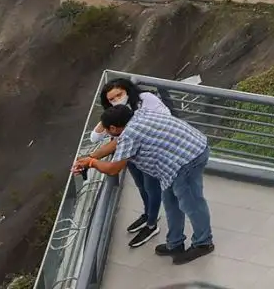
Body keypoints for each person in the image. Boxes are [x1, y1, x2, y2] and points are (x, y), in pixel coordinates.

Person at [75, 102, 214, 265]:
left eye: (107, 130)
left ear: (114, 128)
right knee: (171, 203)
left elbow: (113, 169)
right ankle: (175, 243)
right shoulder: (138, 115)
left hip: (188, 158)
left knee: (192, 203)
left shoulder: (129, 134)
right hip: (176, 161)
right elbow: (116, 144)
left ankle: (203, 243)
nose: (106, 133)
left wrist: (92, 163)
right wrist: (92, 156)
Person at [86, 78, 172, 248]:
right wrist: (111, 113)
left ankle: (152, 224)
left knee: (151, 187)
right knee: (141, 186)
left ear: (128, 91)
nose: (117, 99)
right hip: (131, 155)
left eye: (120, 95)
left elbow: (164, 119)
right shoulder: (116, 112)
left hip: (150, 153)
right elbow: (95, 137)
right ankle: (148, 214)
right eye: (112, 99)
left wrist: (92, 160)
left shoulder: (145, 100)